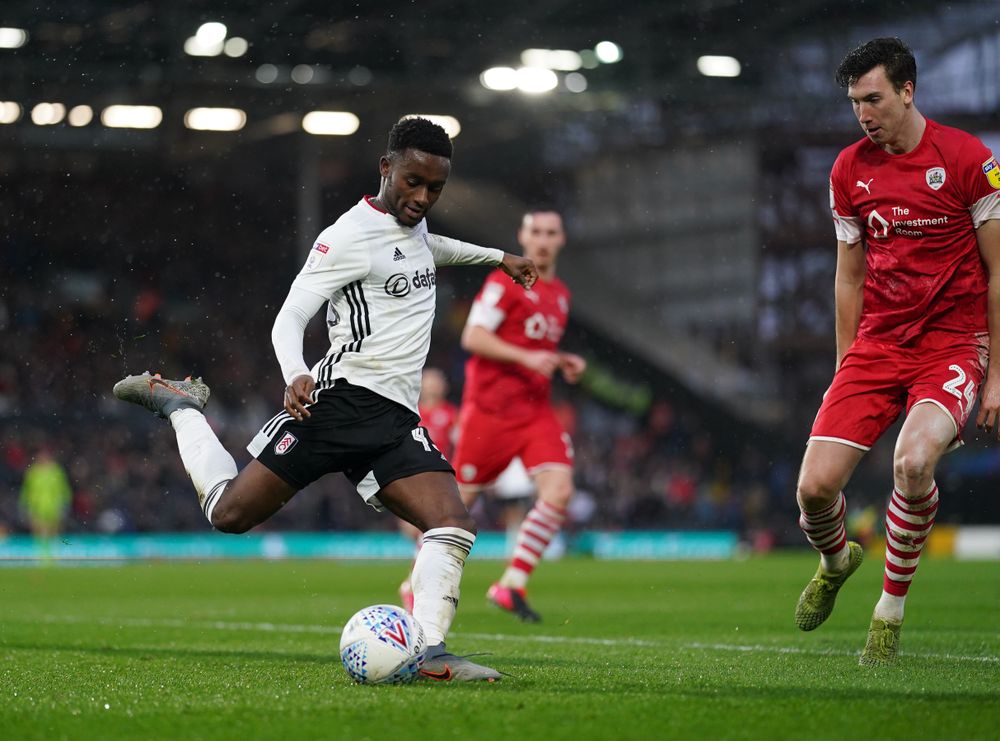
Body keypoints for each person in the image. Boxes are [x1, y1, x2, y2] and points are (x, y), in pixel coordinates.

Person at [113, 116, 538, 682]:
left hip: (393, 419)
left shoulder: (413, 229)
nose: (422, 197)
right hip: (335, 404)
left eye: (434, 188)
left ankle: (429, 653)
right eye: (412, 181)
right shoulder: (346, 237)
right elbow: (290, 316)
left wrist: (497, 257)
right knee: (229, 514)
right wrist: (293, 371)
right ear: (385, 168)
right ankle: (181, 406)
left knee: (453, 524)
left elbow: (431, 248)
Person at [793, 37, 1000, 666]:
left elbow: (999, 271)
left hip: (953, 345)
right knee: (813, 491)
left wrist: (996, 380)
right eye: (855, 102)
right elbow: (849, 277)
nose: (863, 113)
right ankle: (835, 564)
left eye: (873, 99)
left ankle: (889, 612)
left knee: (912, 464)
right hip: (877, 345)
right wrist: (842, 368)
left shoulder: (972, 160)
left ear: (908, 91)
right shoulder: (848, 169)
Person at [446, 207, 586, 622]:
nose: (543, 240)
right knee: (455, 510)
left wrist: (560, 361)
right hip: (489, 412)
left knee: (559, 490)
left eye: (551, 233)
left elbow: (534, 347)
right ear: (523, 239)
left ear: (561, 240)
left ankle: (511, 584)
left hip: (535, 412)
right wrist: (530, 357)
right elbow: (473, 336)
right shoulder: (501, 284)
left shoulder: (560, 294)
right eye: (536, 232)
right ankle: (414, 582)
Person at [397, 367, 459, 612]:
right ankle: (416, 585)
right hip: (412, 480)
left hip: (441, 481)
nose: (433, 385)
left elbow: (463, 444)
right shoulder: (410, 412)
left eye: (437, 380)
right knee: (430, 535)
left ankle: (414, 585)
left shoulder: (452, 414)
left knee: (432, 535)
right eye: (429, 380)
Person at [19, 446, 73, 560]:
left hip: (53, 506)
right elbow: (27, 489)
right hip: (37, 507)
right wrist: (25, 505)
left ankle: (54, 555)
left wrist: (65, 503)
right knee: (39, 531)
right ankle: (41, 555)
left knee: (53, 532)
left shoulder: (56, 471)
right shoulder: (33, 472)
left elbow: (63, 489)